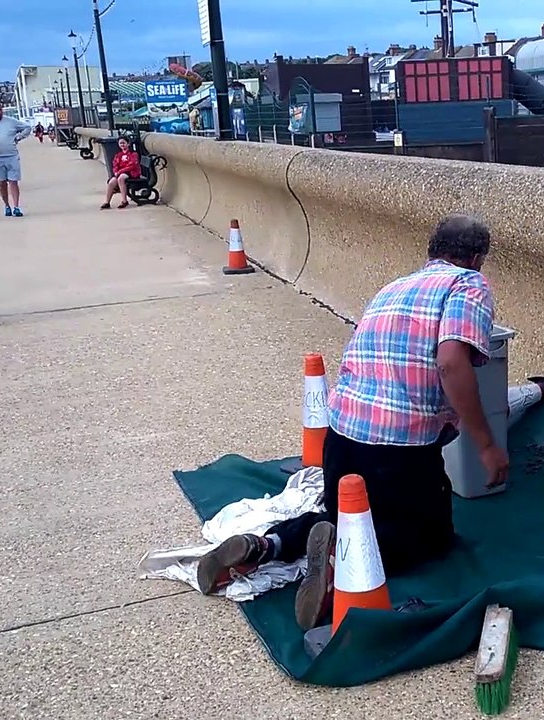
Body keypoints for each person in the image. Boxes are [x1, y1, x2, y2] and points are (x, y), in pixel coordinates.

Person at [196, 214, 509, 632]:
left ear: (430, 252)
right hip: (396, 448)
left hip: (340, 437)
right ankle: (332, 562)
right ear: (476, 258)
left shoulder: (393, 288)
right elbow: (452, 363)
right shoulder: (467, 284)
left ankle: (266, 544)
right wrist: (486, 444)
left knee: (346, 514)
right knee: (431, 537)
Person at [101, 137, 140, 209]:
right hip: (120, 173)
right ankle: (107, 202)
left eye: (124, 143)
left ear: (128, 144)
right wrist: (116, 172)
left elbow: (132, 165)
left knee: (121, 179)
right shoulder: (118, 155)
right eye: (120, 143)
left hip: (131, 172)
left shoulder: (133, 154)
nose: (122, 145)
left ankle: (124, 200)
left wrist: (120, 171)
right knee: (111, 182)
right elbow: (115, 164)